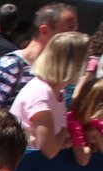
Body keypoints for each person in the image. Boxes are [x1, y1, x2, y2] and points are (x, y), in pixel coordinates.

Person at [0, 3, 79, 110]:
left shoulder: (56, 75)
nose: (75, 38)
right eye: (68, 31)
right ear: (45, 31)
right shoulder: (10, 66)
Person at [10, 31, 88, 159]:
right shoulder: (41, 94)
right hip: (25, 170)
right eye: (85, 57)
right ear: (72, 63)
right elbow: (49, 151)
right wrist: (65, 131)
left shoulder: (58, 92)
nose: (88, 62)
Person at [68, 75, 103, 165]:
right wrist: (88, 139)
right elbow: (83, 160)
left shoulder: (97, 121)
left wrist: (97, 135)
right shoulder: (74, 122)